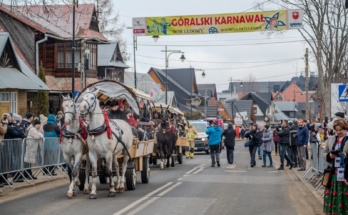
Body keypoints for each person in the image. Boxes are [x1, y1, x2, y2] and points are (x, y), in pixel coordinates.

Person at [323, 119, 348, 214]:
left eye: (340, 130)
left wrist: (345, 155)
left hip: (345, 172)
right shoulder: (331, 139)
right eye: (336, 130)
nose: (338, 132)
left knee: (344, 197)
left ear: (345, 128)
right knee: (333, 195)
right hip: (333, 172)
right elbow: (324, 153)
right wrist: (329, 155)